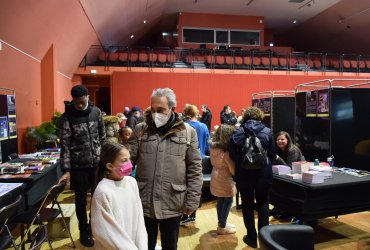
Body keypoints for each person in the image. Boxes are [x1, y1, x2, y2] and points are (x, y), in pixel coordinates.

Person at [128, 88, 203, 250]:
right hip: (144, 200)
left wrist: (193, 200)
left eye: (160, 110)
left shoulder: (188, 133)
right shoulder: (140, 130)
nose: (155, 114)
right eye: (152, 109)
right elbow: (127, 162)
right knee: (144, 245)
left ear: (172, 109)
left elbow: (195, 169)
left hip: (173, 201)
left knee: (170, 246)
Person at [58, 85, 106, 247]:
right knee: (80, 201)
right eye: (76, 102)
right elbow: (64, 145)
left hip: (97, 164)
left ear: (87, 97)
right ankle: (83, 231)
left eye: (82, 101)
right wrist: (66, 170)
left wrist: (105, 158)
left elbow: (102, 135)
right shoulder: (67, 117)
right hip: (79, 166)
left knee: (97, 198)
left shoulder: (96, 112)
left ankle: (95, 228)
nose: (79, 105)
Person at [229, 106, 276, 248]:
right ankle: (264, 238)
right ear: (260, 117)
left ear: (245, 117)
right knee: (263, 203)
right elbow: (272, 156)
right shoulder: (267, 132)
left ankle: (251, 237)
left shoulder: (236, 132)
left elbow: (232, 155)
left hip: (244, 175)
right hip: (264, 174)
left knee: (247, 206)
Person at [91, 143, 147, 250]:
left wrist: (141, 245)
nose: (129, 164)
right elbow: (106, 232)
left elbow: (139, 218)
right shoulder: (103, 191)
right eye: (124, 161)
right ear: (109, 166)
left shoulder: (132, 182)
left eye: (129, 159)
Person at [180, 104, 210, 225]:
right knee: (195, 185)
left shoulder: (182, 126)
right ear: (196, 113)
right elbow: (207, 145)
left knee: (183, 186)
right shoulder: (203, 126)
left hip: (182, 159)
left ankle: (184, 215)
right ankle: (192, 215)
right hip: (200, 158)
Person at [209, 124, 237, 235]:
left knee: (220, 200)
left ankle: (221, 223)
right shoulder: (226, 152)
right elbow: (233, 170)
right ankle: (222, 226)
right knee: (228, 200)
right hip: (225, 178)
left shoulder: (213, 148)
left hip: (215, 175)